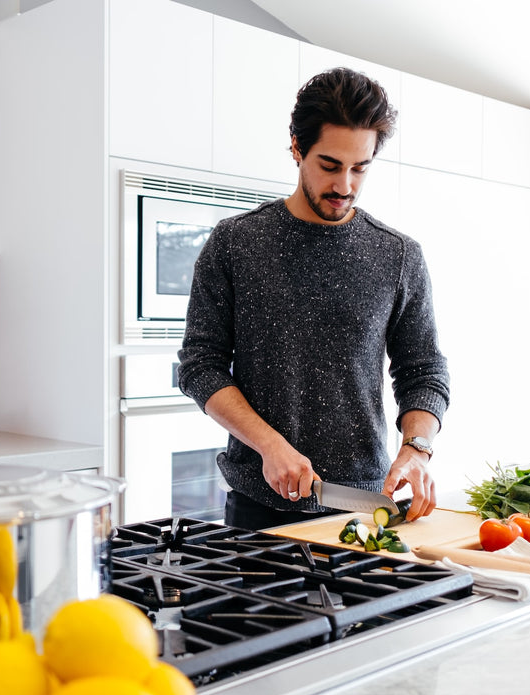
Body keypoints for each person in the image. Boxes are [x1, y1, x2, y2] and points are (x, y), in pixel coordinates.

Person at [177, 67, 450, 531]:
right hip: (258, 509)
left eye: (360, 167)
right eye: (329, 165)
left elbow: (423, 369)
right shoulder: (235, 243)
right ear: (296, 147)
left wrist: (416, 447)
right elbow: (200, 366)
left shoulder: (399, 255)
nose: (345, 185)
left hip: (364, 506)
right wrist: (268, 445)